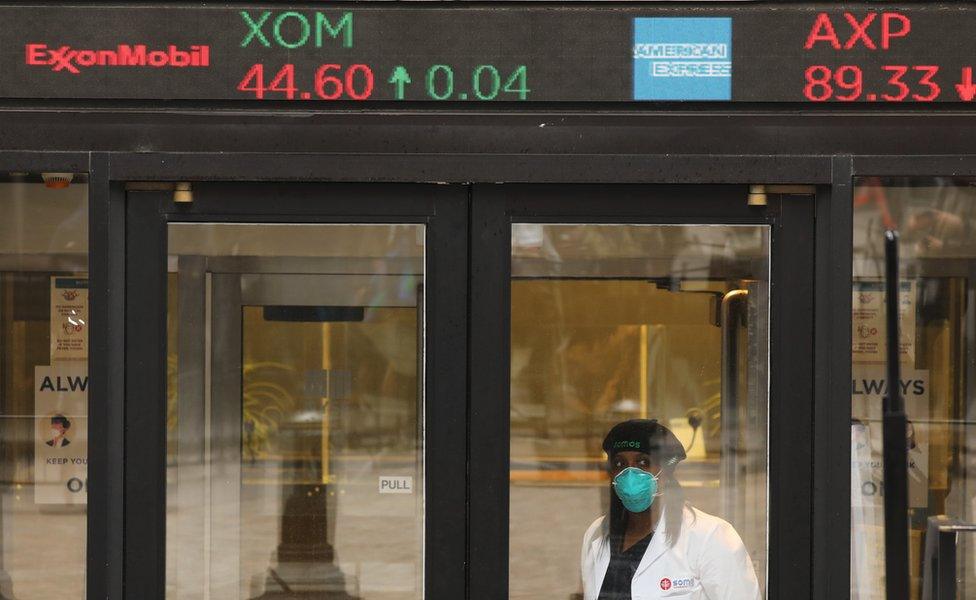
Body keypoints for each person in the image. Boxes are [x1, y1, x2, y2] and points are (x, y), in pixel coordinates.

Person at [581, 419, 760, 599]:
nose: (630, 474)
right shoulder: (596, 534)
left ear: (665, 472)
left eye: (643, 462)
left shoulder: (711, 536)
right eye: (620, 464)